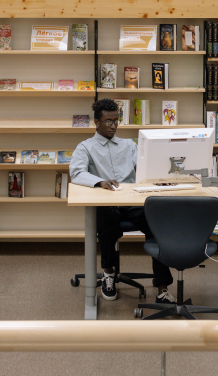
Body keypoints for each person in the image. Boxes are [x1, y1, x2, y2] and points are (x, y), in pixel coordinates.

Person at [69, 99, 175, 304]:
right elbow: (76, 173)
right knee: (107, 222)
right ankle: (108, 273)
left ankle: (162, 286)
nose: (113, 126)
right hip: (108, 206)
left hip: (133, 203)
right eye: (108, 121)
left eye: (116, 121)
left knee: (157, 221)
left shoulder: (129, 145)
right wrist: (99, 181)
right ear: (97, 123)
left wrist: (160, 179)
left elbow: (145, 170)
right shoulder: (86, 147)